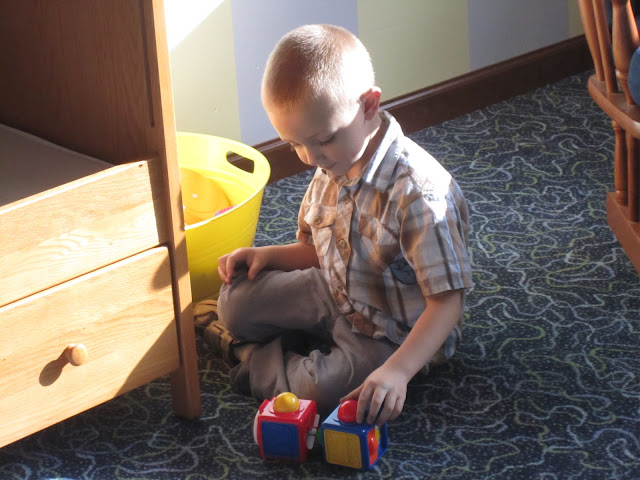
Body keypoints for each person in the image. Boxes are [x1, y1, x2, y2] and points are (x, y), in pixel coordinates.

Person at [199, 23, 472, 425]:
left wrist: (397, 371)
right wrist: (267, 256)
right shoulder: (334, 160)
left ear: (368, 105)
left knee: (323, 392)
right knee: (234, 301)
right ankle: (293, 345)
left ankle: (252, 358)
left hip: (392, 334)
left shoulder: (420, 195)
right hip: (336, 291)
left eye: (322, 139)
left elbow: (448, 303)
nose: (310, 158)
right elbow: (315, 252)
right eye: (294, 144)